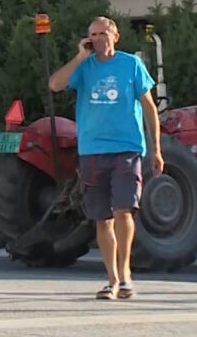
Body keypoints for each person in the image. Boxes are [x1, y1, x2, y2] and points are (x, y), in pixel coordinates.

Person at [49, 16, 163, 301]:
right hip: (92, 151)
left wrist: (157, 148)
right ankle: (111, 280)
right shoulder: (84, 67)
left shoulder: (131, 65)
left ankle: (125, 277)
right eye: (93, 35)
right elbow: (54, 84)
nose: (98, 38)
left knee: (124, 210)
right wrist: (79, 56)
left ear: (115, 36)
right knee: (102, 218)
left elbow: (149, 107)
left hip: (126, 149)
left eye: (102, 33)